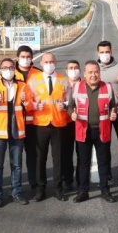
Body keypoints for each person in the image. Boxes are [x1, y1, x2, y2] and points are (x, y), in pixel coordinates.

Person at [0, 58, 34, 208]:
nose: (8, 70)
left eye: (11, 67)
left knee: (17, 165)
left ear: (15, 69)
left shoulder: (23, 86)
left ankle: (16, 192)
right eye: (5, 67)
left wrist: (26, 102)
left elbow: (30, 106)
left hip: (17, 131)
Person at [69, 60, 118, 203]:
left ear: (99, 73)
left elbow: (113, 105)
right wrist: (71, 113)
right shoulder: (77, 87)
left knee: (103, 162)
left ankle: (105, 190)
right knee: (83, 162)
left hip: (102, 131)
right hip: (83, 131)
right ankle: (83, 191)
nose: (93, 75)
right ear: (84, 74)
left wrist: (113, 112)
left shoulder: (107, 87)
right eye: (90, 72)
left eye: (96, 71)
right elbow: (70, 106)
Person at [28, 52, 71, 201]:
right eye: (46, 62)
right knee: (40, 158)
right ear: (41, 63)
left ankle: (58, 189)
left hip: (58, 123)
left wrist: (64, 105)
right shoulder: (33, 80)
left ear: (56, 62)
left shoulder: (63, 80)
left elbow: (69, 100)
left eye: (51, 61)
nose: (49, 64)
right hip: (41, 124)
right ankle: (41, 189)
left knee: (58, 158)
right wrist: (35, 105)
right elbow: (28, 100)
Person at [96, 40, 118, 186]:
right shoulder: (95, 69)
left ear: (111, 52)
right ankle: (107, 173)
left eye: (107, 51)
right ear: (98, 53)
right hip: (102, 113)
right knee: (104, 144)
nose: (105, 54)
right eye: (102, 52)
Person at [14, 45, 42, 194]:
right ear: (17, 58)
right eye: (22, 57)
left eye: (28, 57)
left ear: (32, 58)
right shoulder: (10, 74)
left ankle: (35, 183)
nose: (25, 59)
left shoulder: (38, 73)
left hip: (34, 123)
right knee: (16, 157)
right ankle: (16, 187)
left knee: (33, 155)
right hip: (16, 122)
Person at [64, 60, 81, 191]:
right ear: (66, 70)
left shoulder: (84, 84)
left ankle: (81, 179)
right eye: (71, 68)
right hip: (66, 122)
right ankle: (68, 180)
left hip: (82, 123)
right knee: (67, 153)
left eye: (76, 68)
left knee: (81, 152)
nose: (73, 70)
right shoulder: (62, 84)